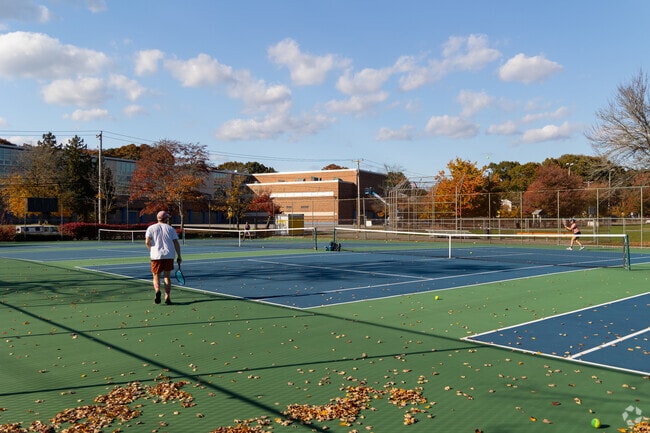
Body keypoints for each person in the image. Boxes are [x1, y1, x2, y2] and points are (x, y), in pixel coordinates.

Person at [145, 211, 182, 304]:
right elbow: (176, 243)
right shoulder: (171, 229)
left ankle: (157, 291)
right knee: (167, 277)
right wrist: (179, 256)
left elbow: (147, 242)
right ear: (166, 219)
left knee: (156, 276)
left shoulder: (151, 228)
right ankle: (167, 297)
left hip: (156, 256)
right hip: (169, 255)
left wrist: (151, 249)